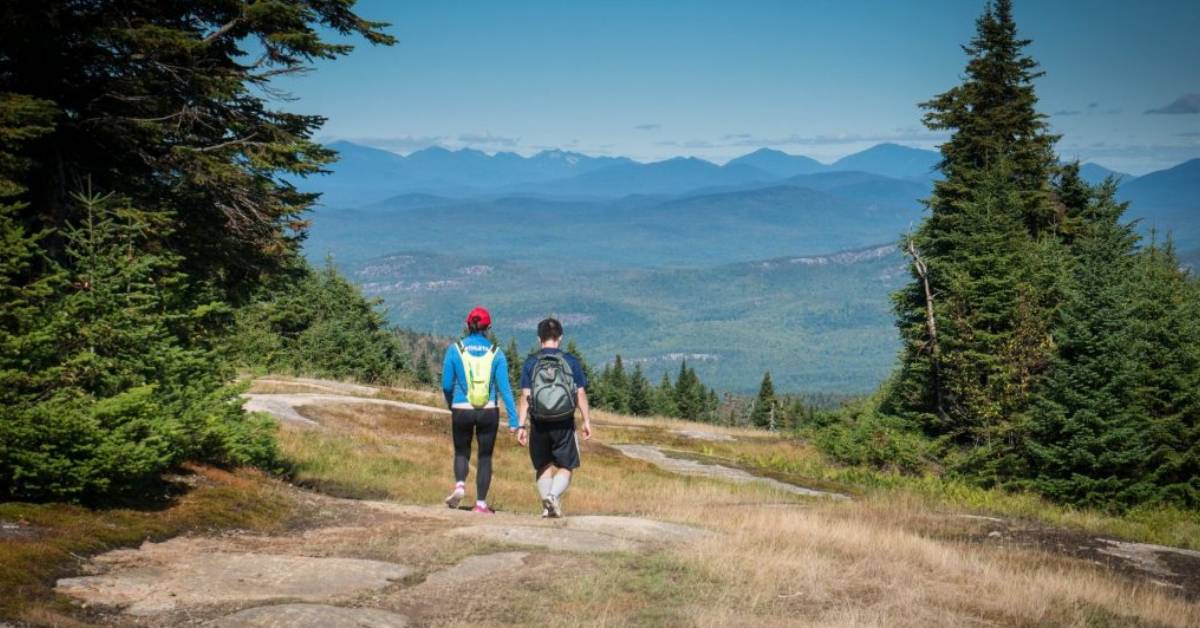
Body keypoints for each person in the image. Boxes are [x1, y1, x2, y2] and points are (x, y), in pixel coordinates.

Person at [441, 307, 518, 514]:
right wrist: (514, 420)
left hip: (461, 407)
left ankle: (459, 485)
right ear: (488, 328)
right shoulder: (497, 353)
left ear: (468, 326)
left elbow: (447, 384)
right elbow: (505, 389)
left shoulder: (455, 350)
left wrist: (452, 403)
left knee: (461, 451)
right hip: (488, 410)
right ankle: (481, 504)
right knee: (485, 456)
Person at [516, 317, 592, 518]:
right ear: (560, 338)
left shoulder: (531, 362)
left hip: (539, 422)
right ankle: (552, 496)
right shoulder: (571, 361)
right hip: (564, 422)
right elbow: (580, 394)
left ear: (539, 339)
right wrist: (586, 420)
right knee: (566, 466)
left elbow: (525, 396)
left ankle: (546, 505)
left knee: (543, 465)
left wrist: (521, 425)